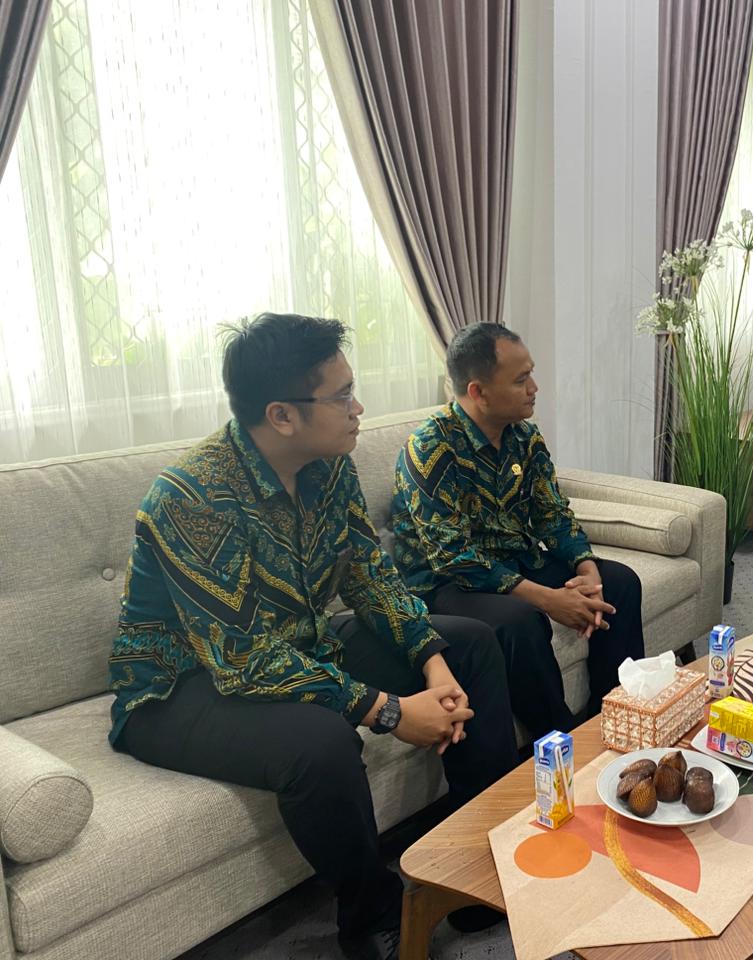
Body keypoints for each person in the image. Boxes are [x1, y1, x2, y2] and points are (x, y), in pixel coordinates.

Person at [108, 313, 517, 960]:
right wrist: (387, 710)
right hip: (178, 688)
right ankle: (372, 917)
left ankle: (470, 863)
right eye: (341, 395)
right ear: (281, 415)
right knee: (322, 741)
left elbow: (370, 578)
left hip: (296, 642)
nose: (358, 409)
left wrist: (432, 662)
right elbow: (242, 660)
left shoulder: (330, 467)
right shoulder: (193, 497)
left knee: (468, 643)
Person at [391, 323, 646, 740]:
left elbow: (552, 513)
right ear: (478, 391)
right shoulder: (430, 448)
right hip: (446, 584)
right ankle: (560, 739)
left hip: (513, 560)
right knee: (520, 621)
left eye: (531, 374)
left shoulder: (524, 436)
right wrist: (548, 599)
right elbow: (452, 556)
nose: (534, 388)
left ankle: (617, 717)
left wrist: (586, 568)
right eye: (520, 379)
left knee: (618, 582)